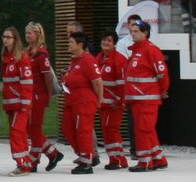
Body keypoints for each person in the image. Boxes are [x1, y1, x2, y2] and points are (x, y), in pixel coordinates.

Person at [124, 16, 169, 171]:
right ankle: (158, 158)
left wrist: (162, 90)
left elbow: (162, 73)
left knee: (143, 129)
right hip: (138, 98)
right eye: (132, 31)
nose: (133, 34)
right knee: (145, 129)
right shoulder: (138, 50)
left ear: (145, 33)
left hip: (146, 98)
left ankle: (145, 162)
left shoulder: (150, 50)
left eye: (136, 31)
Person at [23, 22, 64, 171]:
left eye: (30, 33)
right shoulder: (28, 52)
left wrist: (48, 95)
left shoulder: (41, 54)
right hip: (29, 94)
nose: (27, 36)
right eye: (26, 33)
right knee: (30, 127)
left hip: (38, 95)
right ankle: (52, 153)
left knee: (34, 127)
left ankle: (34, 159)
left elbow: (47, 76)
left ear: (38, 35)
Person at [61, 31, 102, 173]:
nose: (69, 44)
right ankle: (87, 154)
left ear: (80, 45)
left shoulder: (88, 60)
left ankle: (86, 162)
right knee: (68, 129)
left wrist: (98, 101)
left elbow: (97, 83)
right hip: (72, 101)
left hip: (84, 102)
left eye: (71, 42)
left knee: (83, 131)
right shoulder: (75, 61)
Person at [0, 26, 37, 176]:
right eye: (4, 37)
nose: (5, 40)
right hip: (11, 103)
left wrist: (25, 103)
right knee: (17, 133)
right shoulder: (6, 58)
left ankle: (22, 164)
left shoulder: (22, 57)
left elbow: (27, 83)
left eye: (8, 37)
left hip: (20, 104)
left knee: (17, 132)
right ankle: (25, 162)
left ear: (15, 40)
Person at [95, 30, 131, 170]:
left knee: (112, 130)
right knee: (106, 130)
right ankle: (114, 158)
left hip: (114, 104)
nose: (106, 43)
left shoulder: (119, 59)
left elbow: (122, 84)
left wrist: (119, 101)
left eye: (109, 41)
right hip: (104, 103)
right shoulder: (99, 58)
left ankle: (119, 160)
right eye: (104, 40)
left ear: (114, 43)